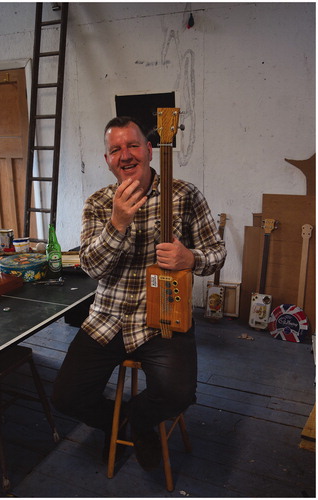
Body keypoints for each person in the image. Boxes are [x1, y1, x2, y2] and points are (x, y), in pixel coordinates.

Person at [52, 116, 226, 470]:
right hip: (109, 317)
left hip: (164, 317)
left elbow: (217, 254)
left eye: (132, 145)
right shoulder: (99, 203)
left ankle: (142, 422)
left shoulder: (185, 195)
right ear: (107, 160)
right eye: (115, 149)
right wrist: (117, 223)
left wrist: (189, 258)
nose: (125, 155)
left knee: (179, 393)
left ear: (150, 149)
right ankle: (120, 422)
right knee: (66, 397)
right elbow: (91, 268)